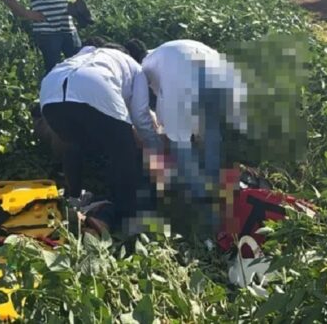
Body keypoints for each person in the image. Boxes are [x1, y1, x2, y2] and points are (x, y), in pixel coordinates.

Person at [39, 44, 160, 231]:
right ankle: (121, 218)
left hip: (50, 93)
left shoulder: (87, 53)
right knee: (124, 154)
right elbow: (141, 117)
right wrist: (154, 150)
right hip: (95, 87)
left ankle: (75, 199)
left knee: (73, 143)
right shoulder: (135, 69)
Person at [140, 39, 248, 235]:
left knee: (180, 146)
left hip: (186, 84)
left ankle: (206, 207)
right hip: (222, 79)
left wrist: (165, 132)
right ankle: (218, 191)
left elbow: (163, 103)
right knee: (211, 137)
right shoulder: (170, 49)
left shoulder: (146, 65)